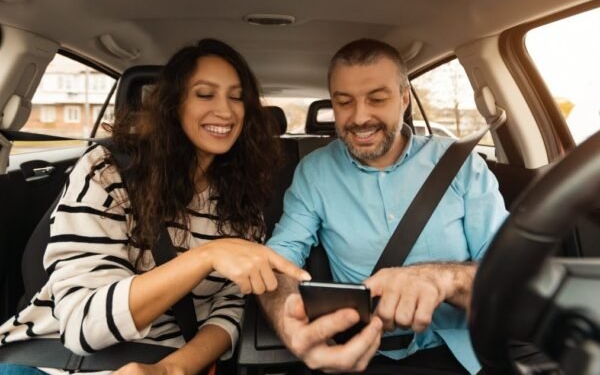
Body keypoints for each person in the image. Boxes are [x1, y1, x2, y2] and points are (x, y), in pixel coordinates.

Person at [0, 39, 309, 375]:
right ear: (174, 104)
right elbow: (83, 326)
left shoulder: (242, 201)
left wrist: (173, 368)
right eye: (205, 94)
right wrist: (206, 257)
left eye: (236, 97)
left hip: (164, 360)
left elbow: (230, 306)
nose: (225, 110)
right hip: (50, 360)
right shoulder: (107, 171)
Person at [259, 39, 508, 374]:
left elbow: (509, 273)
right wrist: (288, 324)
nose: (360, 117)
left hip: (466, 355)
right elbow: (279, 261)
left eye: (377, 99)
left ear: (404, 98)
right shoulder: (314, 172)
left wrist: (443, 278)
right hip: (366, 357)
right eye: (344, 102)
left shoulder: (461, 165)